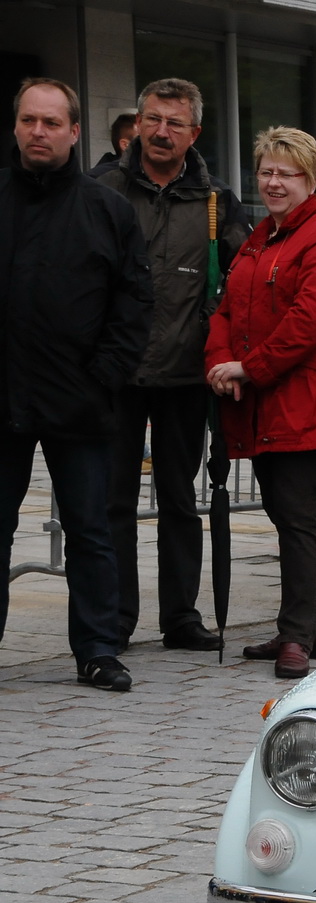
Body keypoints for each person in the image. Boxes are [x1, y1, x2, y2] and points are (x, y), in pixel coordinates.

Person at [0, 78, 153, 692]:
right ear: (16, 126)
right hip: (3, 400)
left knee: (91, 530)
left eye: (51, 122)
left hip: (82, 400)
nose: (39, 131)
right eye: (29, 121)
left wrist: (106, 377)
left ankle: (97, 649)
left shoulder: (107, 210)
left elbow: (135, 302)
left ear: (72, 131)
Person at [92, 78, 250, 654]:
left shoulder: (218, 202)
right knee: (112, 502)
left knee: (181, 502)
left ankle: (180, 616)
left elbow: (244, 286)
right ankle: (113, 618)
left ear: (195, 133)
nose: (161, 132)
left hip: (186, 375)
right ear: (137, 122)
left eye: (174, 123)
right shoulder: (102, 187)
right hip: (114, 376)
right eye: (152, 119)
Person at [206, 127, 316, 679]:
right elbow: (225, 310)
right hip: (266, 399)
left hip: (306, 399)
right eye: (266, 172)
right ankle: (309, 628)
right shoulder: (259, 238)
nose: (273, 182)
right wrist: (220, 362)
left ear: (309, 179)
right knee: (287, 512)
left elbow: (310, 319)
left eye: (285, 173)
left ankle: (298, 635)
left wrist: (251, 367)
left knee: (298, 515)